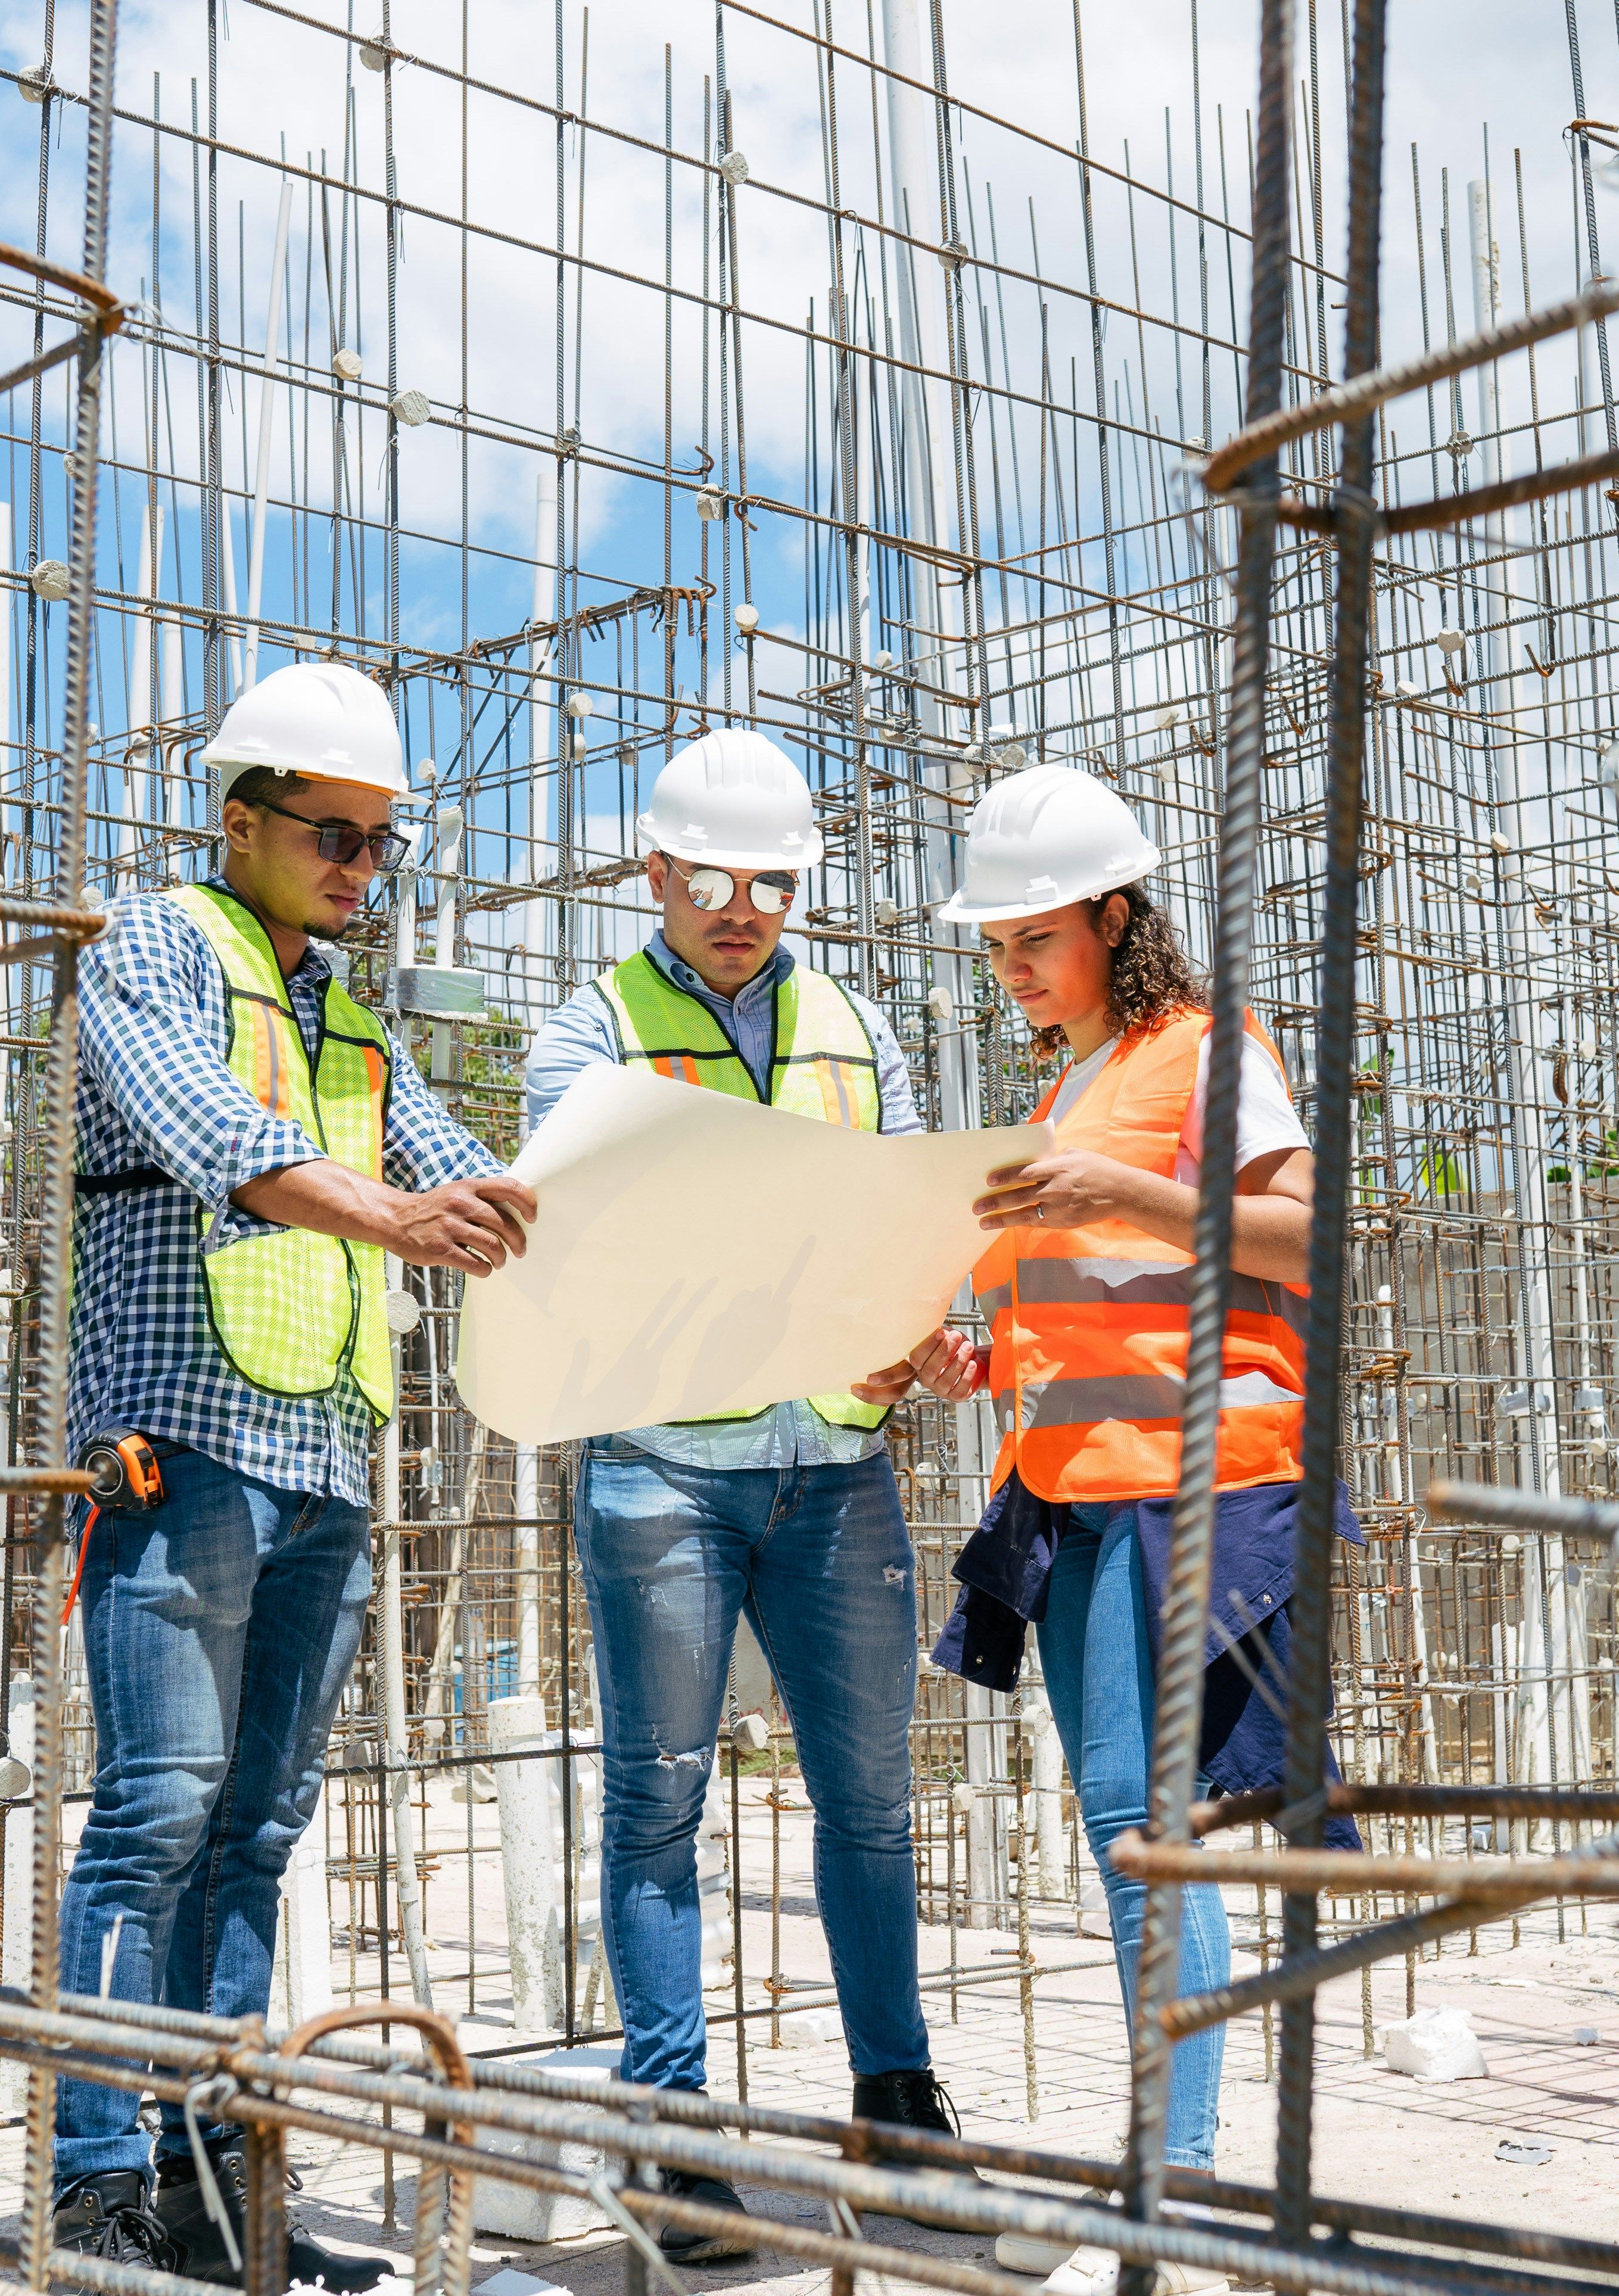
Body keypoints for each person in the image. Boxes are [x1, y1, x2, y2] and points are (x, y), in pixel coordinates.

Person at [32, 662, 539, 2284]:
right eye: (333, 834)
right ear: (238, 820)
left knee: (254, 1831)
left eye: (380, 845)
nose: (359, 871)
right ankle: (95, 2177)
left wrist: (606, 1198)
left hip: (321, 1451)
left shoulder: (344, 1012)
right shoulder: (157, 953)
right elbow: (198, 1131)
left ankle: (211, 2169)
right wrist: (399, 1219)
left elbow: (462, 1170)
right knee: (156, 1813)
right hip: (182, 1444)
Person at [519, 727, 969, 2264]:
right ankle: (675, 2134)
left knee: (873, 1809)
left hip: (836, 1460)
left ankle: (895, 2102)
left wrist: (920, 1317)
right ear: (655, 870)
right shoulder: (590, 1028)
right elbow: (582, 1219)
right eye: (713, 877)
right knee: (657, 1805)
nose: (744, 904)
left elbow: (905, 1216)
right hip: (660, 1462)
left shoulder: (859, 1025)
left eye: (775, 879)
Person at [920, 763, 1358, 2225]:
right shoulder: (1066, 1083)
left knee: (1138, 1817)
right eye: (995, 949)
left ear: (1116, 914)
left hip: (1185, 1483)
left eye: (1031, 937)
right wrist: (970, 1353)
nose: (1011, 969)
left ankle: (1179, 2168)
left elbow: (1304, 1238)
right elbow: (1089, 1299)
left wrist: (1128, 1197)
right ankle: (1171, 2159)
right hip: (1070, 1490)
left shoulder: (1204, 1052)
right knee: (1125, 1817)